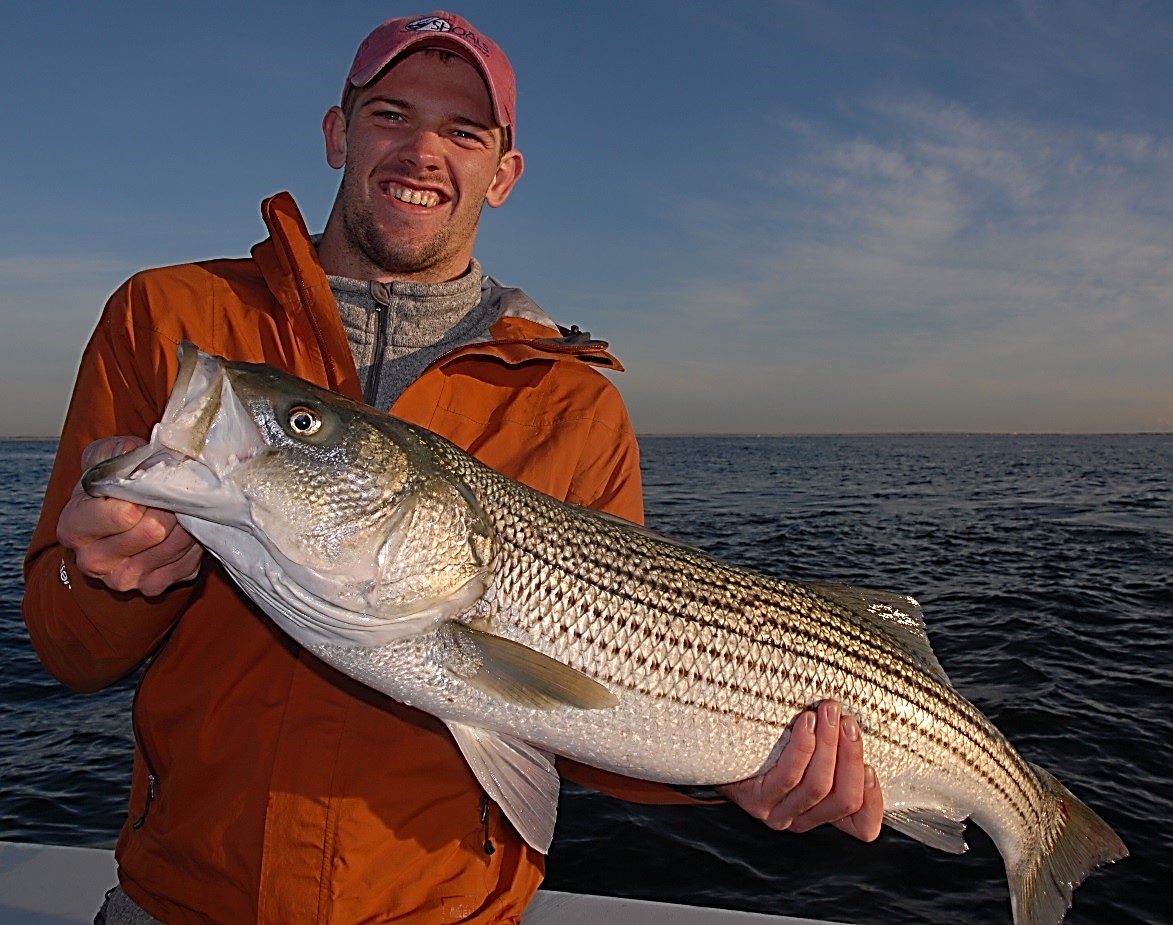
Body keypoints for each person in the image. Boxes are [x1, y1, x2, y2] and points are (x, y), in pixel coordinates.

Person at [23, 11, 882, 924]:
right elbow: (64, 647)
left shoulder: (573, 401)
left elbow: (593, 710)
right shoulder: (171, 320)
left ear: (502, 174)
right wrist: (101, 572)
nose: (422, 150)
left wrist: (736, 770)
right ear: (336, 133)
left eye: (463, 131)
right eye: (390, 114)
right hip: (183, 899)